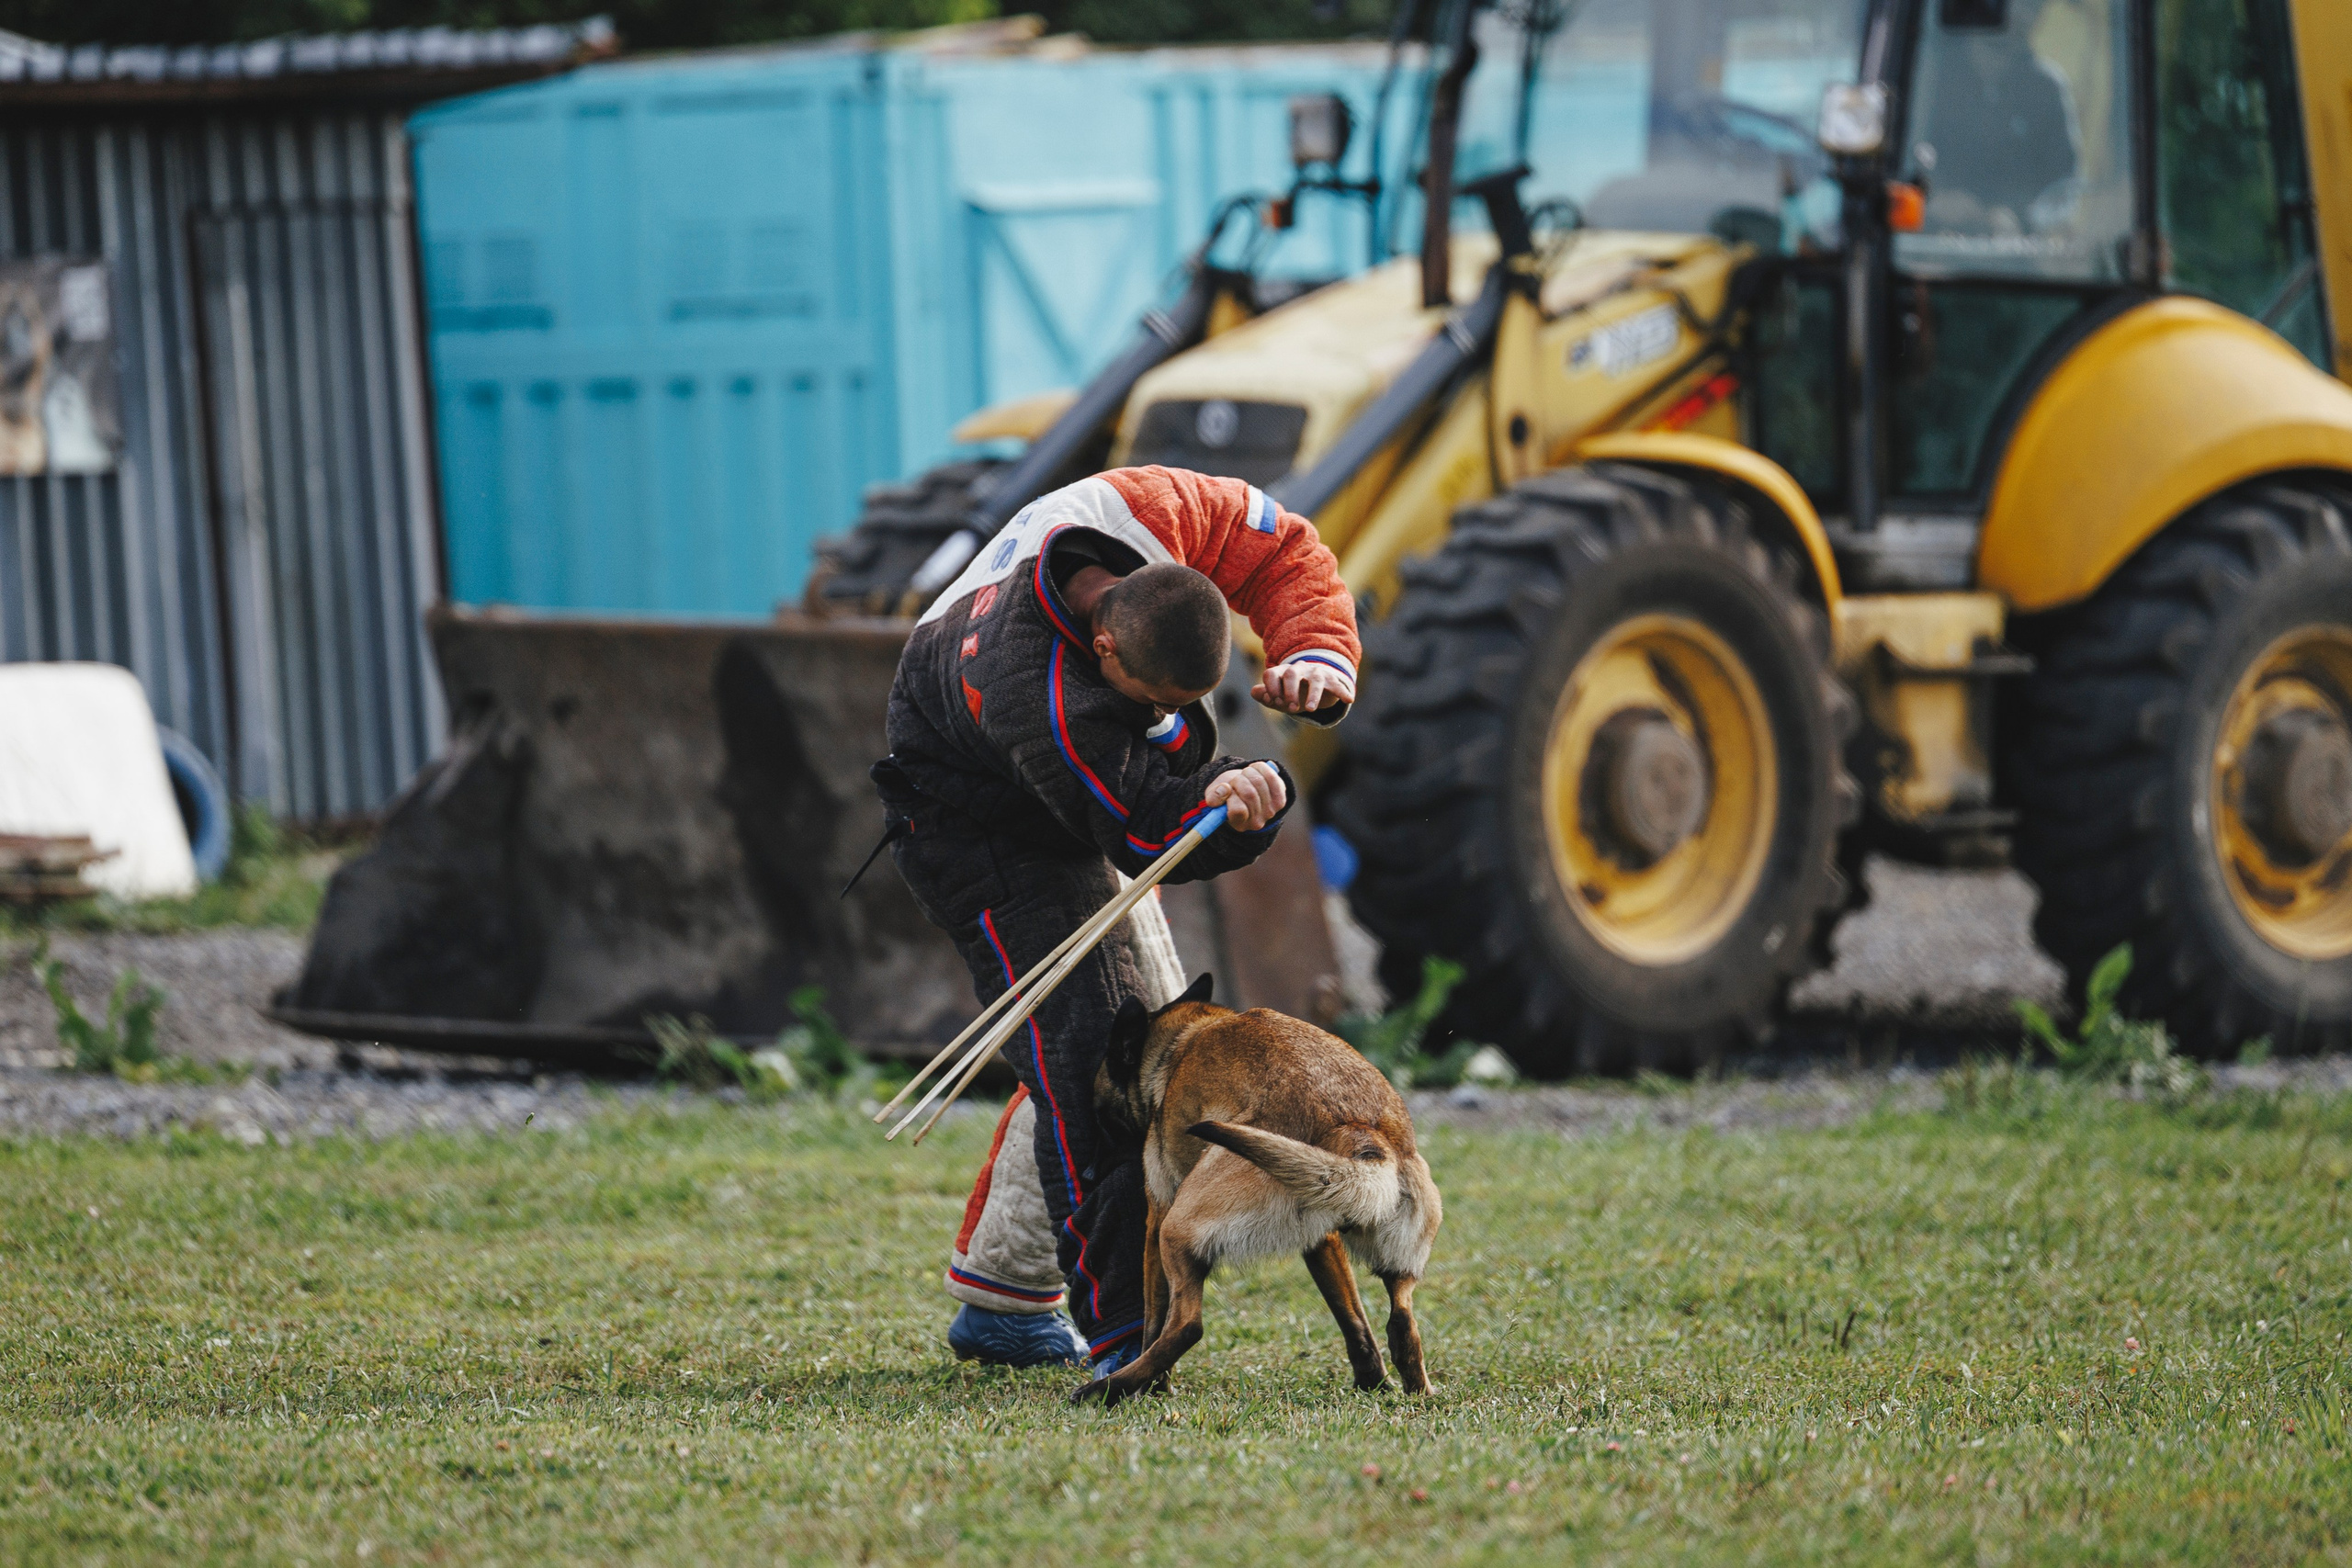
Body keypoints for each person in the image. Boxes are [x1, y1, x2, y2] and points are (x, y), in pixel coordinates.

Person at [874, 463, 1360, 1373]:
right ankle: (1124, 1336)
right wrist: (1236, 803)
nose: (1172, 722)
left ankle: (1004, 1299)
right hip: (974, 828)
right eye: (1155, 706)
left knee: (1141, 1048)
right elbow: (1143, 831)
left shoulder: (1152, 511)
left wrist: (1316, 651)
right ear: (1104, 649)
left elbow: (1285, 546)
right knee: (1100, 1058)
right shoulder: (1041, 695)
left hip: (1078, 790)